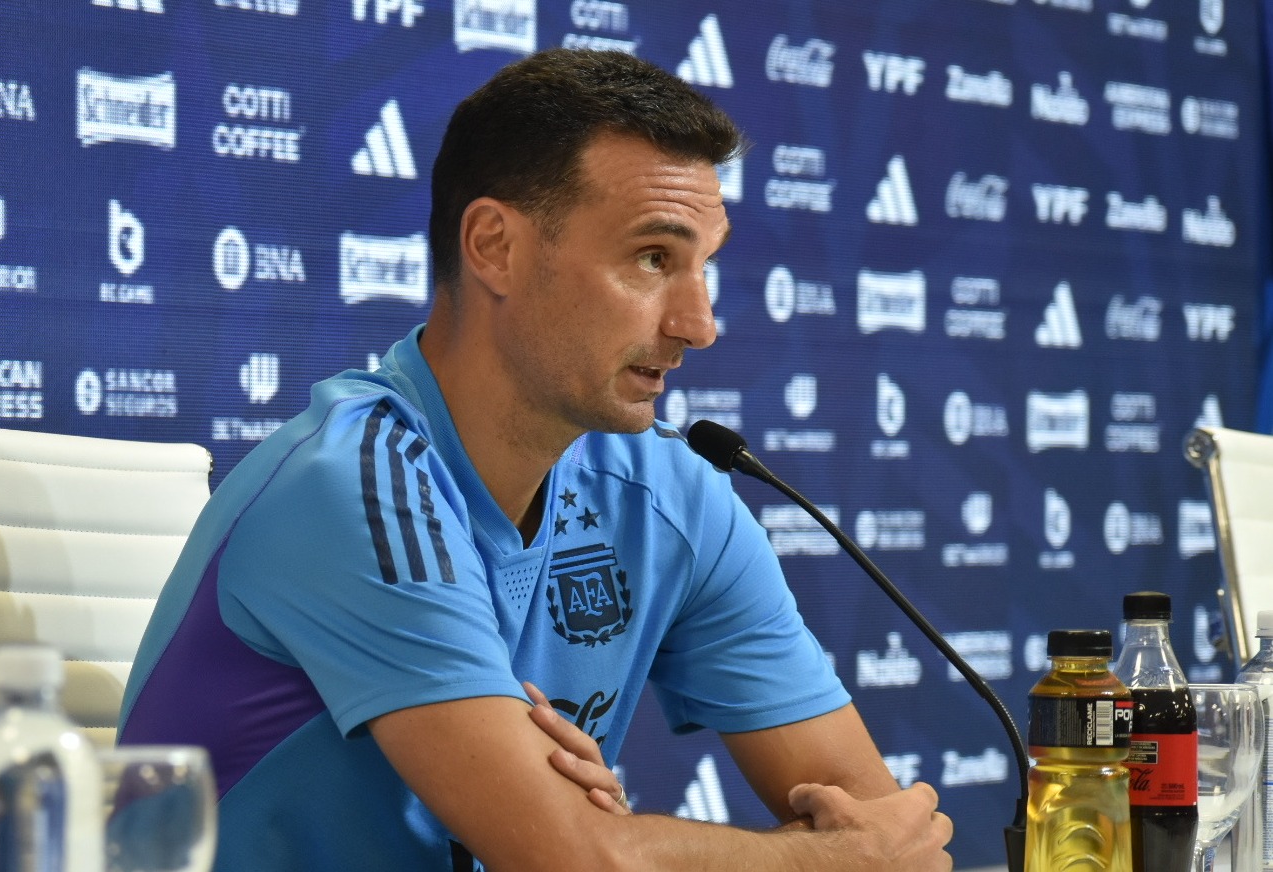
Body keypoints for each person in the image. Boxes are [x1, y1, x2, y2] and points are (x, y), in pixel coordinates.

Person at [120, 48, 954, 870]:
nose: (698, 325)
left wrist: (629, 846)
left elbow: (882, 835)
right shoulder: (355, 484)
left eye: (705, 265)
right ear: (494, 246)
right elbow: (580, 860)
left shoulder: (675, 496)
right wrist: (801, 860)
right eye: (653, 259)